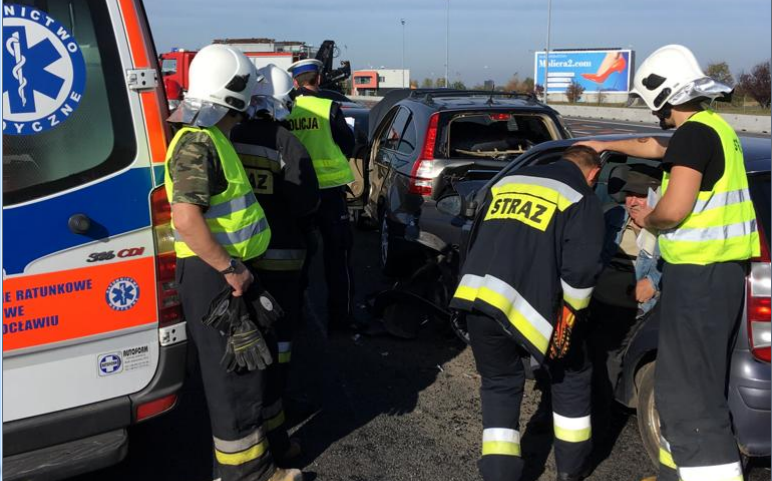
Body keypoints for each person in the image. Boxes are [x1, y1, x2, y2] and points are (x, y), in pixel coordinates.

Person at [577, 44, 759, 481]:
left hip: (701, 278)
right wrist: (602, 143)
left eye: (652, 103)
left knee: (689, 396)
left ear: (665, 95)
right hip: (718, 276)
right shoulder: (713, 129)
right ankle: (678, 472)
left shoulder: (694, 135)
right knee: (690, 389)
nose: (653, 113)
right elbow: (655, 146)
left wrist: (647, 220)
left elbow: (674, 209)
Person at [165, 44, 302, 481]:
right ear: (234, 94)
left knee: (249, 367)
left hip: (224, 272)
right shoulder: (198, 143)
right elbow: (186, 218)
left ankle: (264, 456)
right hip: (216, 276)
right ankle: (249, 474)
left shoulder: (209, 139)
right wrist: (230, 268)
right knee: (235, 379)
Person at [450, 145, 606, 481]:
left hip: (478, 301)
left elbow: (475, 238)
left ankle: (498, 473)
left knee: (499, 384)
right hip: (530, 308)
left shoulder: (508, 181)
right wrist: (570, 322)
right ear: (593, 173)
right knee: (570, 375)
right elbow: (581, 271)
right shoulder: (581, 197)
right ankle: (571, 469)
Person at [231, 64, 320, 456]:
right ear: (282, 103)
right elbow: (306, 202)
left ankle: (254, 416)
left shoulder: (228, 138)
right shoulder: (287, 143)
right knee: (280, 343)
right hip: (283, 260)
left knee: (246, 339)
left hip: (238, 263)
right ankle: (276, 416)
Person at [588, 164, 663, 442]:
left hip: (632, 312)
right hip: (596, 301)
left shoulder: (666, 230)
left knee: (606, 360)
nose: (633, 201)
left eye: (641, 195)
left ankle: (597, 427)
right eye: (630, 193)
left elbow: (673, 262)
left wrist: (654, 282)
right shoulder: (615, 217)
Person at [286, 58, 358, 331]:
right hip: (330, 193)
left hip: (298, 191)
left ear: (295, 82)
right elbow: (348, 143)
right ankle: (341, 319)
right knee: (337, 258)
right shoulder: (329, 107)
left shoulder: (287, 110)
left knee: (298, 256)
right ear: (318, 80)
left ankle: (296, 315)